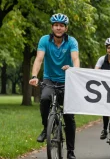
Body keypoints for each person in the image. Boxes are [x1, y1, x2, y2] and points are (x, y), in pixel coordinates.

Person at [29, 13, 79, 159]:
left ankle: (70, 151)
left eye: (61, 25)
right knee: (44, 99)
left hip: (67, 80)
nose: (58, 28)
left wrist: (73, 70)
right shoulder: (44, 40)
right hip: (49, 79)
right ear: (52, 27)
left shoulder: (72, 41)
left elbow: (75, 59)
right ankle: (46, 128)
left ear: (66, 28)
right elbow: (39, 59)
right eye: (56, 25)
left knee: (69, 117)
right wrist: (34, 76)